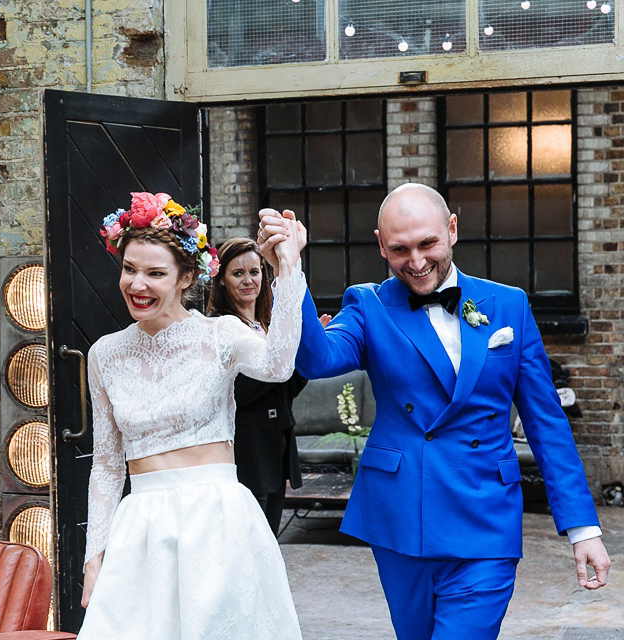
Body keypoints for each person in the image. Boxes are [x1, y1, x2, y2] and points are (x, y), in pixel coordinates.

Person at [258, 182, 610, 640]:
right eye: (400, 249)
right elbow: (316, 359)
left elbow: (547, 423)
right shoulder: (368, 305)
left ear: (453, 230)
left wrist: (583, 527)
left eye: (428, 244)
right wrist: (290, 270)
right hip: (402, 516)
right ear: (381, 245)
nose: (417, 261)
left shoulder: (509, 305)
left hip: (486, 517)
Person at [80, 192, 305, 639]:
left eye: (155, 273)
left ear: (186, 278)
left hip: (216, 521)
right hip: (139, 529)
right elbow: (106, 464)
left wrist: (288, 268)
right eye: (129, 269)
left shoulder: (221, 334)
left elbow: (278, 365)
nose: (137, 285)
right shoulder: (104, 353)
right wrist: (95, 554)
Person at [206, 236, 307, 534]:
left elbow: (286, 389)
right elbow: (239, 392)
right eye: (238, 273)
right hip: (247, 450)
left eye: (254, 272)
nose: (248, 280)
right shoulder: (217, 327)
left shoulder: (268, 323)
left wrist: (299, 355)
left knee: (271, 543)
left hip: (277, 447)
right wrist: (274, 360)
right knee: (248, 542)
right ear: (222, 280)